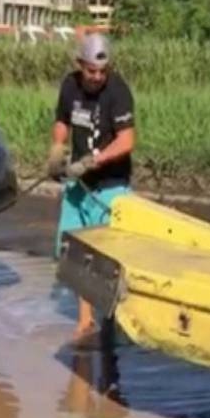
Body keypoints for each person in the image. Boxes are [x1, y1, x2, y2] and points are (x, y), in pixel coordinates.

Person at [47, 33, 136, 340]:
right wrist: (57, 149)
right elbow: (62, 121)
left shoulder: (118, 91)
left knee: (106, 259)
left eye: (102, 71)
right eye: (91, 71)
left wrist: (92, 162)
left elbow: (126, 140)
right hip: (77, 184)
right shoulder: (69, 86)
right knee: (75, 253)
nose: (97, 77)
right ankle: (84, 322)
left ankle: (111, 321)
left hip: (110, 184)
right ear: (80, 65)